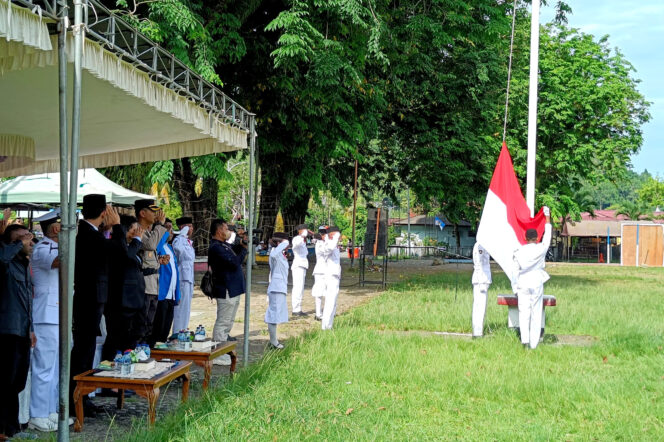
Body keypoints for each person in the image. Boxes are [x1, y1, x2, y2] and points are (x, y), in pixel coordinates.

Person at [70, 195, 121, 417]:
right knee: (83, 350)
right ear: (103, 213)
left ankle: (83, 397)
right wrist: (117, 227)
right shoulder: (88, 234)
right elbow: (117, 252)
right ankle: (77, 398)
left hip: (92, 298)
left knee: (87, 349)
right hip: (88, 299)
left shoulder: (91, 233)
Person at [29, 212, 68, 432]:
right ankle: (38, 414)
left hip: (58, 314)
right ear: (55, 229)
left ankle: (52, 410)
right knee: (44, 367)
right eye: (64, 225)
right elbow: (59, 262)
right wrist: (69, 242)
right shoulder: (43, 248)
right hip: (46, 315)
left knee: (55, 369)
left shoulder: (52, 246)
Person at [0, 224, 35, 439]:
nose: (27, 241)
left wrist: (31, 329)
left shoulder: (23, 264)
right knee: (6, 381)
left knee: (18, 381)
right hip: (6, 330)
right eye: (21, 238)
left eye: (28, 237)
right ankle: (7, 430)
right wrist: (15, 244)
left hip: (22, 330)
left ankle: (10, 429)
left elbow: (27, 301)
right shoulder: (6, 262)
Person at [102, 215, 146, 362]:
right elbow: (126, 257)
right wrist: (137, 240)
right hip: (121, 300)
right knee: (116, 337)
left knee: (135, 333)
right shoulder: (117, 245)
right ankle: (108, 374)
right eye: (134, 229)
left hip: (136, 298)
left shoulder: (131, 247)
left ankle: (127, 363)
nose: (137, 233)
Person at [208, 219, 247, 365]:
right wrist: (243, 250)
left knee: (228, 322)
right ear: (219, 231)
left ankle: (222, 350)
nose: (228, 231)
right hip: (225, 289)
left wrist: (241, 244)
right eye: (226, 228)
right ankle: (217, 353)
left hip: (232, 289)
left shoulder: (223, 245)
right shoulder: (216, 247)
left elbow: (233, 251)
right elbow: (234, 262)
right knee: (223, 322)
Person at [513, 206, 552, 349]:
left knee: (524, 313)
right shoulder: (540, 249)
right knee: (536, 312)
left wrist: (514, 288)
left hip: (522, 283)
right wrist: (547, 217)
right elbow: (547, 237)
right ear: (536, 238)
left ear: (525, 238)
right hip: (536, 281)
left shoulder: (519, 251)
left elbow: (514, 272)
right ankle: (534, 343)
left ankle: (525, 342)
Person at [134, 199, 168, 344]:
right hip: (144, 285)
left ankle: (144, 350)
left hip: (153, 284)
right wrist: (159, 225)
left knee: (149, 323)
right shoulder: (137, 229)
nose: (156, 215)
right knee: (141, 323)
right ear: (142, 213)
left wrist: (158, 261)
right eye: (152, 211)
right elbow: (150, 245)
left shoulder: (149, 231)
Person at [149, 224, 180, 346]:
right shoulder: (159, 246)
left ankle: (162, 351)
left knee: (166, 326)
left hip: (171, 293)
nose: (171, 233)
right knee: (158, 326)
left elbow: (175, 271)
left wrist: (177, 293)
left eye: (171, 230)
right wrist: (164, 231)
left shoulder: (169, 247)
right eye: (169, 230)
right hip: (162, 293)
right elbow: (157, 244)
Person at [265, 232, 290, 349]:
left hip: (280, 287)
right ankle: (273, 342)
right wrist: (283, 244)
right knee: (273, 315)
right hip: (276, 287)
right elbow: (274, 254)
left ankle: (274, 340)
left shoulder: (281, 254)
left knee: (276, 314)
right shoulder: (275, 253)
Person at [172, 216, 195, 333]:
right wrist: (181, 235)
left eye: (191, 226)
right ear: (182, 227)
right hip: (181, 278)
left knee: (186, 308)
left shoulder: (188, 242)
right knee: (180, 309)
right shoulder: (178, 240)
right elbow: (178, 251)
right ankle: (177, 333)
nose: (191, 229)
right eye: (189, 226)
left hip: (189, 278)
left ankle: (183, 330)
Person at [321, 226, 341, 330]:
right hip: (331, 276)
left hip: (335, 275)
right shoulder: (328, 244)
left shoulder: (333, 244)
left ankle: (329, 325)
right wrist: (335, 237)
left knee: (333, 302)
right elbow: (330, 248)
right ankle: (326, 326)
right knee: (330, 301)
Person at [471, 242, 492, 338]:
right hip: (481, 281)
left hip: (483, 280)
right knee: (479, 307)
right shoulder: (480, 245)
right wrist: (481, 281)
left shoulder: (484, 245)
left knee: (480, 307)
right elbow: (479, 264)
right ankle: (477, 333)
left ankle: (478, 331)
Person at [291, 224, 310, 317]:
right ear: (300, 231)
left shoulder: (303, 240)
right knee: (298, 287)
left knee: (301, 287)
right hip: (298, 265)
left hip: (302, 265)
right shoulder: (297, 239)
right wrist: (301, 236)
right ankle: (296, 309)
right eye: (305, 229)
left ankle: (298, 307)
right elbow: (295, 245)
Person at [311, 226, 328, 321]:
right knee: (319, 292)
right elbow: (326, 252)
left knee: (325, 292)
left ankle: (324, 312)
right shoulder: (320, 244)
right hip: (320, 270)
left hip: (325, 270)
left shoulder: (323, 243)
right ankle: (318, 313)